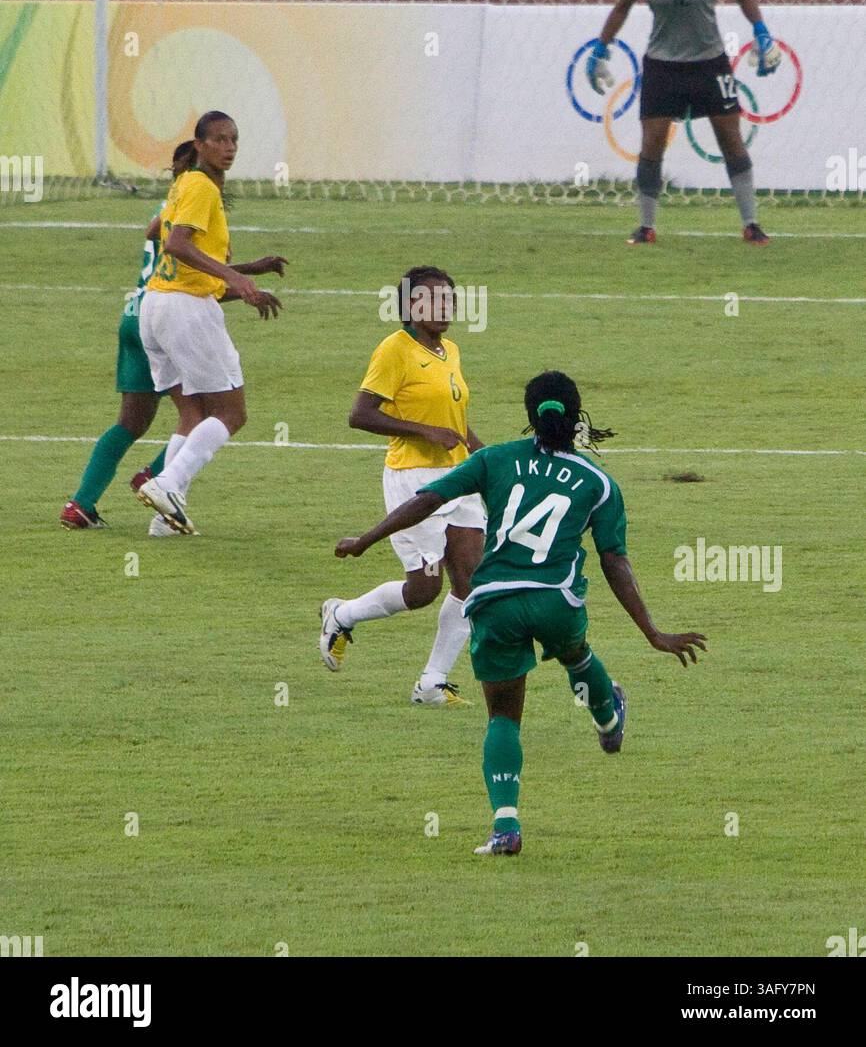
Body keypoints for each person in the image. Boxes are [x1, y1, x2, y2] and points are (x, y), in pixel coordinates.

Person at [336, 371, 707, 855]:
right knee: (575, 652)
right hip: (556, 601)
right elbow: (615, 563)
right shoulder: (598, 483)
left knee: (504, 717)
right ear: (578, 420)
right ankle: (608, 716)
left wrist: (365, 540)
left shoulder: (494, 458)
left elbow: (427, 500)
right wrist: (653, 633)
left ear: (530, 417)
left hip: (494, 602)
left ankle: (505, 826)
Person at [319, 266, 486, 707]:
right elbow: (360, 414)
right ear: (411, 307)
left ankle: (433, 681)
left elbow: (456, 420)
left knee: (472, 580)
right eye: (433, 300)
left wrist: (487, 462)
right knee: (424, 590)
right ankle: (342, 614)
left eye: (449, 300)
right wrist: (422, 432)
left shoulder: (449, 349)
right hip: (413, 476)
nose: (444, 308)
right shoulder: (394, 350)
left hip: (459, 477)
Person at [586, 0, 782, 246]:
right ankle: (646, 226)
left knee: (731, 140)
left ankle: (751, 223)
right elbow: (622, 7)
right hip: (663, 66)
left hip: (710, 63)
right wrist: (601, 48)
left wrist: (762, 32)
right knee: (652, 143)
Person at [137, 111, 283, 533]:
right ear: (199, 145)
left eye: (234, 139)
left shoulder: (185, 183)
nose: (229, 147)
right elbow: (176, 243)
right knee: (232, 413)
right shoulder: (200, 186)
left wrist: (246, 268)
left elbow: (155, 231)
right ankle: (169, 484)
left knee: (195, 414)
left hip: (156, 306)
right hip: (186, 310)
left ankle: (164, 516)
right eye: (219, 140)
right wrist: (233, 274)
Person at [61, 142, 204, 531]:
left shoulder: (165, 206)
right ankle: (155, 479)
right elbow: (199, 268)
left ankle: (81, 504)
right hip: (165, 316)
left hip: (134, 314)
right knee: (206, 414)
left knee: (130, 422)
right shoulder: (195, 205)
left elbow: (155, 232)